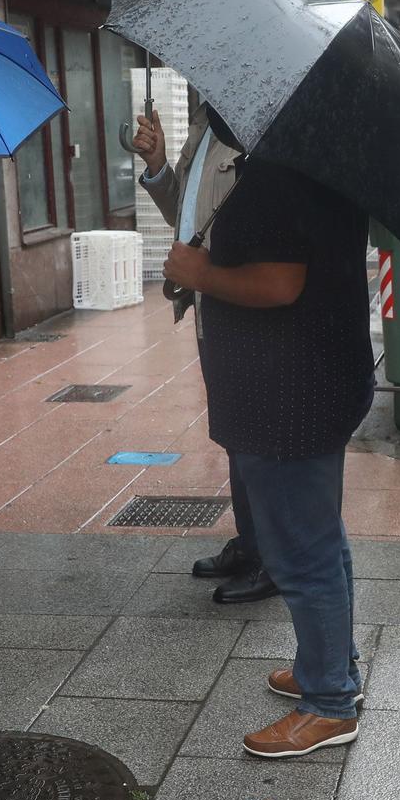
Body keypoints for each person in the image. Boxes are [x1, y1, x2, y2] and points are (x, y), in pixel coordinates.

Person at [159, 116, 373, 759]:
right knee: (320, 539)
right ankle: (331, 668)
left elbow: (280, 283)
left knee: (300, 553)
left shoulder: (281, 170)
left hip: (287, 393)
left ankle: (330, 702)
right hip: (313, 380)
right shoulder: (319, 155)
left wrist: (201, 274)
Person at [132, 103, 280, 609]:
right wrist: (157, 166)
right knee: (236, 431)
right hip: (209, 304)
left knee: (259, 436)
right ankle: (251, 540)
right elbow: (188, 214)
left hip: (243, 302)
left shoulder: (258, 125)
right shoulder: (205, 123)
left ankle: (273, 557)